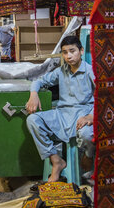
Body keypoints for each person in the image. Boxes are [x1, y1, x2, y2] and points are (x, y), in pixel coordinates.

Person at [25, 35, 95, 183]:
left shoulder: (91, 71)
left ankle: (88, 157)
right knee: (32, 120)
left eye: (72, 51)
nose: (68, 56)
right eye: (64, 52)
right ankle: (57, 161)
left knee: (88, 134)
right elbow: (39, 81)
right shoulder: (61, 71)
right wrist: (33, 94)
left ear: (81, 51)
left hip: (82, 115)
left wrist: (91, 116)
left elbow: (105, 97)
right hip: (62, 114)